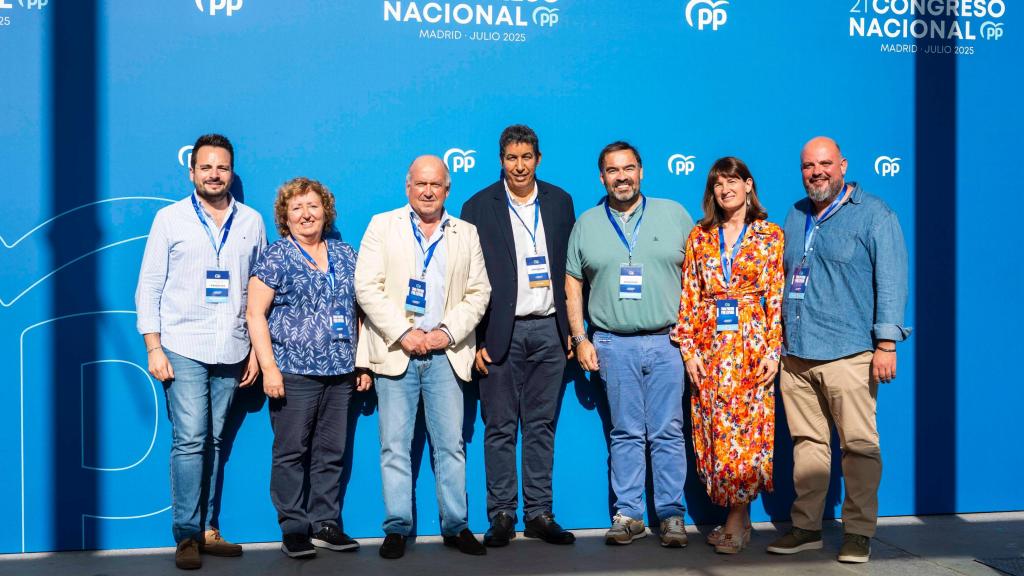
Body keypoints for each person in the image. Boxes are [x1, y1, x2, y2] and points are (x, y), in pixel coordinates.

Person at [766, 136, 910, 564]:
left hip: (849, 354)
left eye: (825, 164)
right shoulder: (795, 215)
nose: (817, 172)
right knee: (808, 444)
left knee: (859, 446)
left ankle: (859, 533)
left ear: (843, 166)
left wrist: (886, 343)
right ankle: (807, 527)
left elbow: (892, 281)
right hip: (796, 356)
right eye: (809, 166)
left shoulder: (875, 215)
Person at [135, 133, 266, 570]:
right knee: (190, 440)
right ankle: (187, 535)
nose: (214, 174)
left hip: (231, 346)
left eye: (222, 167)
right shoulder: (169, 219)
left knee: (213, 439)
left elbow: (257, 292)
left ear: (232, 172)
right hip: (182, 345)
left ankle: (209, 530)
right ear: (192, 171)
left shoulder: (251, 221)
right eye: (206, 167)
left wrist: (254, 351)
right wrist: (153, 346)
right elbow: (149, 285)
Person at [355, 155, 492, 559]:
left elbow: (478, 292)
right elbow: (367, 286)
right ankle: (397, 528)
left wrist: (445, 333)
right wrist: (405, 332)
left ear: (447, 189)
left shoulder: (466, 232)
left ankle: (456, 526)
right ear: (408, 187)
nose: (428, 191)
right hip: (396, 352)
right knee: (394, 445)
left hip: (446, 354)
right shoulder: (383, 226)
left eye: (436, 184)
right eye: (420, 184)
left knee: (450, 445)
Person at [565, 141, 695, 547]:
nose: (621, 177)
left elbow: (698, 277)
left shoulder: (674, 214)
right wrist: (580, 337)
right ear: (601, 177)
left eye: (628, 168)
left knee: (669, 431)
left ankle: (671, 515)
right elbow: (572, 283)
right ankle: (628, 515)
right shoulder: (586, 222)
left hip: (667, 342)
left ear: (641, 172)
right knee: (624, 433)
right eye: (612, 170)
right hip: (612, 343)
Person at [460, 125, 577, 547]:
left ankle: (540, 512)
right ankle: (503, 514)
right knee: (500, 427)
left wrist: (573, 331)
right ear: (501, 160)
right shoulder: (477, 207)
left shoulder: (561, 202)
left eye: (527, 157)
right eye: (512, 158)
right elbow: (464, 279)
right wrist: (472, 341)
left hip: (549, 329)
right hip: (498, 333)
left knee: (542, 426)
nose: (520, 165)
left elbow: (572, 272)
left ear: (538, 159)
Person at [247, 178, 372, 559]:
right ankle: (294, 528)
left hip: (340, 372)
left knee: (331, 451)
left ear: (325, 211)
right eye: (297, 207)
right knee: (291, 452)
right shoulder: (276, 256)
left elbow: (360, 311)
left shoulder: (346, 254)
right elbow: (255, 313)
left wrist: (361, 361)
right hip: (293, 372)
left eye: (313, 206)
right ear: (286, 216)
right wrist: (269, 368)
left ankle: (326, 523)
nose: (306, 214)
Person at [672, 157, 784, 554]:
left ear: (749, 185)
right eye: (718, 184)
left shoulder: (770, 235)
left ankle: (736, 520)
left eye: (733, 181)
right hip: (710, 346)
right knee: (716, 432)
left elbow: (775, 295)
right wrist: (688, 351)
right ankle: (739, 518)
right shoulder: (700, 236)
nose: (725, 189)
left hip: (752, 345)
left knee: (748, 433)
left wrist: (773, 350)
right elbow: (689, 295)